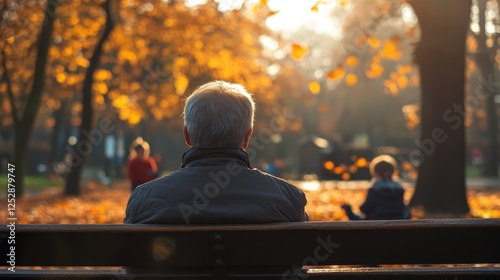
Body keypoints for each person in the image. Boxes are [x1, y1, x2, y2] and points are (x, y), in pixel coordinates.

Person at [124, 80, 308, 224]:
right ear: (247, 137)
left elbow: (130, 266)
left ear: (187, 135)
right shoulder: (289, 199)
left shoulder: (143, 200)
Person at [341, 154, 410, 220]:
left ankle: (347, 209)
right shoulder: (399, 189)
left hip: (375, 224)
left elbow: (364, 209)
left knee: (357, 218)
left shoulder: (375, 189)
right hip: (397, 224)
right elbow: (402, 209)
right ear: (392, 172)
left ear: (375, 173)